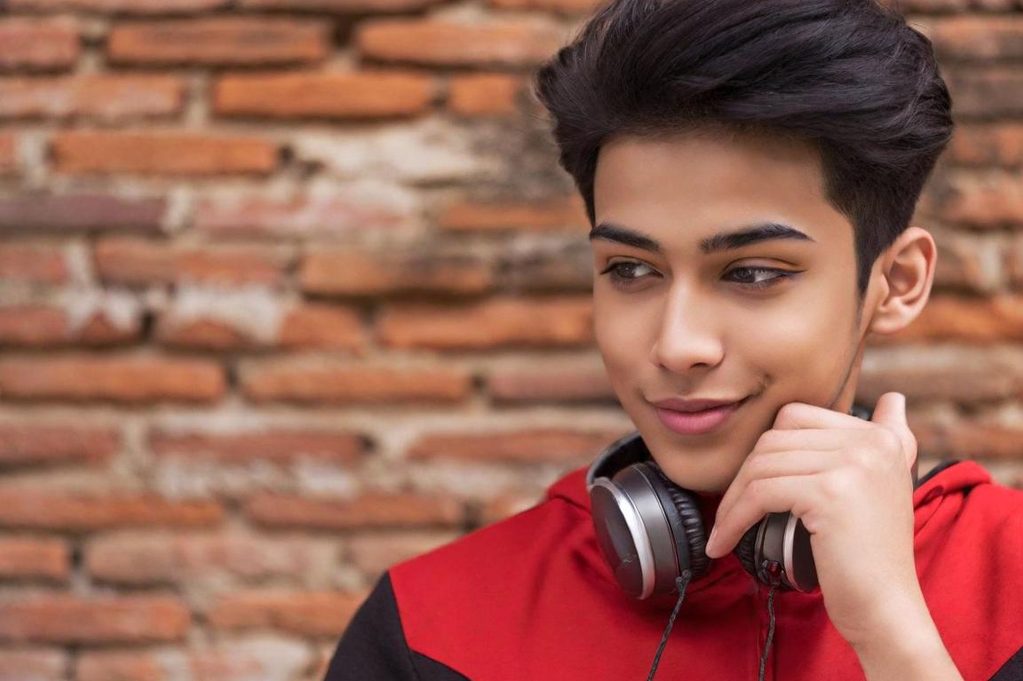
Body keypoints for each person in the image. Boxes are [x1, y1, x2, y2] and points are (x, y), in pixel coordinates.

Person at [323, 0, 1023, 679]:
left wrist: (891, 632)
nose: (677, 343)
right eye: (631, 269)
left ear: (894, 282)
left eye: (751, 272)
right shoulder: (431, 627)